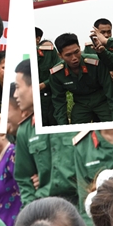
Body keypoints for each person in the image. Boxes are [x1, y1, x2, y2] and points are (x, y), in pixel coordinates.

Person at [12, 59, 78, 207]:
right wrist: (31, 210)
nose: (15, 94)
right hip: (45, 206)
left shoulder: (73, 124)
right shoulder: (25, 130)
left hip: (79, 204)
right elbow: (24, 178)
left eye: (17, 87)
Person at [48, 33, 113, 124]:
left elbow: (110, 91)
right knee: (77, 128)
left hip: (102, 101)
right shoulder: (57, 73)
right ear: (60, 55)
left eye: (76, 52)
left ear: (80, 48)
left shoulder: (96, 63)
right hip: (81, 104)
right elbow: (58, 101)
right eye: (68, 55)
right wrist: (63, 126)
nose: (74, 58)